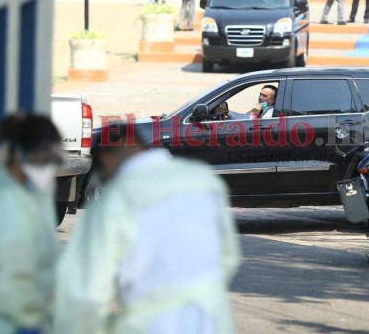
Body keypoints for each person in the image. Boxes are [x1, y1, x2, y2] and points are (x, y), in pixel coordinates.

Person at [54, 123, 241, 334]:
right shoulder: (203, 181)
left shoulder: (113, 201)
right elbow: (228, 257)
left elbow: (85, 291)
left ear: (106, 159)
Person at [0, 114, 62, 334]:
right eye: (41, 159)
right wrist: (30, 319)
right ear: (18, 155)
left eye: (52, 160)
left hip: (27, 313)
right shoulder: (2, 199)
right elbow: (6, 277)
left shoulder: (32, 193)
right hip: (0, 320)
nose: (47, 167)